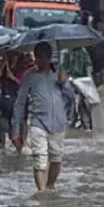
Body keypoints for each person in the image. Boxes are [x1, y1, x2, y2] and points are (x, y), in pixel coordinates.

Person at [11, 42, 74, 192]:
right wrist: (16, 129)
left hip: (58, 123)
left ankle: (50, 185)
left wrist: (65, 84)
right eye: (37, 57)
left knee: (56, 160)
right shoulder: (29, 76)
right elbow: (20, 103)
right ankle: (42, 193)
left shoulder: (59, 74)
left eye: (43, 57)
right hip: (38, 123)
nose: (40, 60)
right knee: (39, 159)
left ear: (49, 57)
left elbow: (71, 99)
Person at [0, 51, 32, 151]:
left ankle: (21, 147)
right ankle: (1, 150)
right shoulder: (2, 64)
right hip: (6, 102)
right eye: (11, 55)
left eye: (15, 54)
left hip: (19, 101)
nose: (13, 57)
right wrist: (4, 64)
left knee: (18, 128)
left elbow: (24, 84)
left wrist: (12, 76)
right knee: (2, 127)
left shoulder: (25, 66)